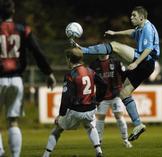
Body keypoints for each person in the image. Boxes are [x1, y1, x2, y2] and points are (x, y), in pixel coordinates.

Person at [71, 6, 160, 141]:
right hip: (148, 66)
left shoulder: (147, 28)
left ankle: (84, 50)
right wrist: (115, 32)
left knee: (115, 46)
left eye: (134, 15)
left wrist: (136, 63)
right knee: (124, 93)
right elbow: (132, 32)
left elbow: (148, 49)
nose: (131, 18)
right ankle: (138, 124)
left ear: (142, 17)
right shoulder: (142, 27)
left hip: (145, 60)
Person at [0, 0, 56, 157]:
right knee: (13, 121)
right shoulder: (23, 29)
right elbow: (37, 51)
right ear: (13, 11)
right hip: (17, 79)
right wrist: (48, 72)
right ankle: (16, 155)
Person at [42, 48, 107, 157]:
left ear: (69, 59)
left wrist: (61, 115)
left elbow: (66, 97)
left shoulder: (70, 74)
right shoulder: (90, 71)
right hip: (90, 109)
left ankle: (46, 155)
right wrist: (98, 100)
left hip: (76, 111)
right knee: (90, 126)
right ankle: (99, 152)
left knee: (57, 129)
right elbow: (104, 84)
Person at [89, 54, 132, 148]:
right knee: (100, 119)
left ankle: (125, 140)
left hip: (115, 95)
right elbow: (90, 81)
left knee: (119, 117)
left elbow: (124, 75)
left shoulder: (116, 62)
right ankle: (98, 142)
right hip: (102, 97)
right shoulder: (93, 65)